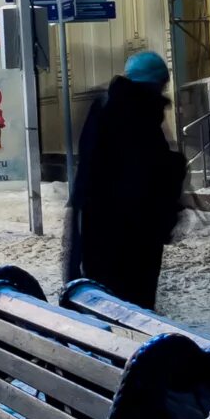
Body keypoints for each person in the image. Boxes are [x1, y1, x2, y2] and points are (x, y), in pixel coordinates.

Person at [63, 51, 186, 308]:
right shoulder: (140, 113)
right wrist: (174, 168)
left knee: (108, 298)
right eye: (162, 83)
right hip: (132, 233)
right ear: (154, 83)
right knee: (132, 304)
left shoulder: (107, 106)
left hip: (100, 228)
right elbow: (145, 174)